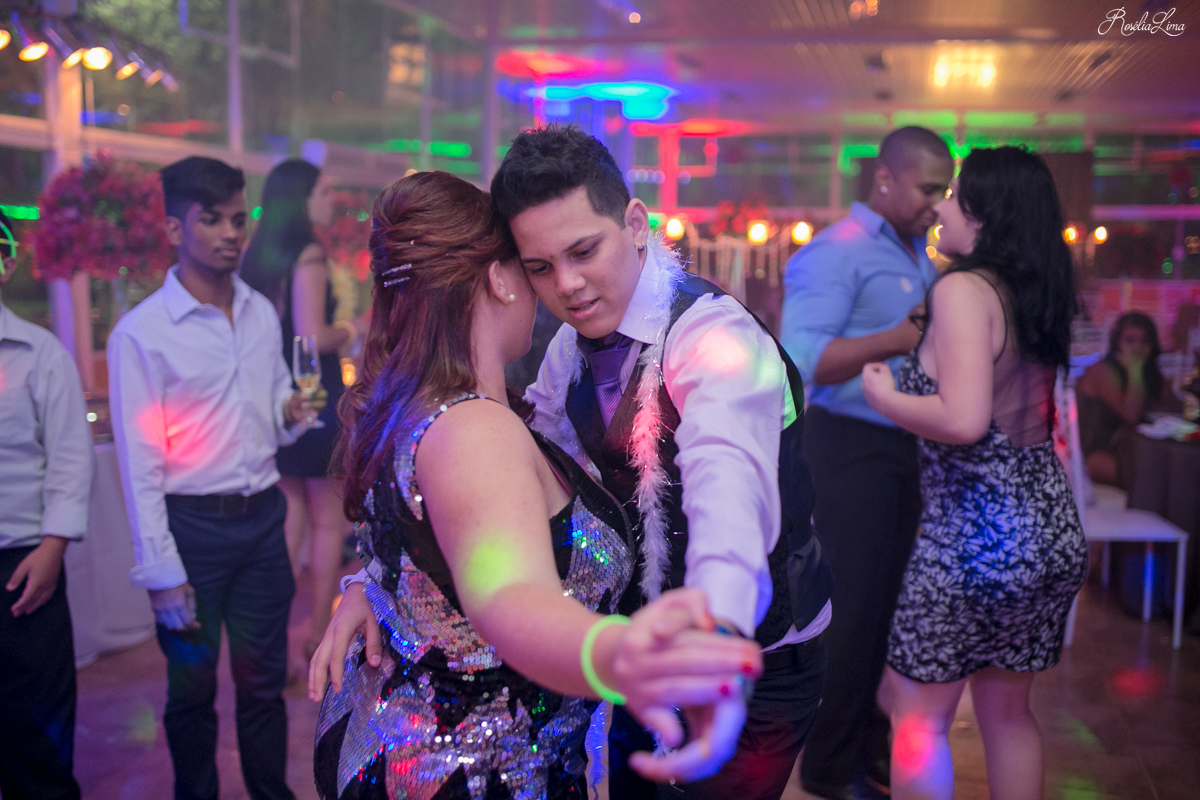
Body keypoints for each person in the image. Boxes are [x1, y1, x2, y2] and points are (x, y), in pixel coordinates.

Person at [308, 170, 760, 799]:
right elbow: (509, 594)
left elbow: (431, 552)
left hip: (404, 749)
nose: (555, 289)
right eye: (534, 268)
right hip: (475, 774)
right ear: (500, 278)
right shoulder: (474, 429)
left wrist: (371, 590)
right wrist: (620, 657)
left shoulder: (421, 406)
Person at [490, 124, 834, 800]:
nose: (568, 285)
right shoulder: (566, 350)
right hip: (642, 651)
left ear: (635, 224)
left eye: (583, 251)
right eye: (540, 268)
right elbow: (528, 471)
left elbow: (728, 493)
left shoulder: (716, 337)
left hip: (757, 661)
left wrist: (716, 638)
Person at [861, 146, 1088, 800]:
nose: (944, 209)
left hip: (975, 540)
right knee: (1009, 714)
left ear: (985, 216)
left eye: (956, 198)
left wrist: (883, 396)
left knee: (916, 718)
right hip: (1048, 534)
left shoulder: (962, 289)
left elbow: (963, 420)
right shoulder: (1034, 290)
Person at [108, 156, 324, 800]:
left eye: (237, 219)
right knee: (191, 691)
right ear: (175, 228)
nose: (231, 234)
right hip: (191, 531)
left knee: (263, 685)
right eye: (212, 220)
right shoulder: (141, 335)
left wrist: (290, 412)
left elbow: (275, 410)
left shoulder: (258, 312)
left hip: (262, 523)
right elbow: (139, 467)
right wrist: (160, 570)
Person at [779, 126, 952, 800]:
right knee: (851, 612)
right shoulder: (837, 252)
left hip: (905, 447)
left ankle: (870, 754)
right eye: (928, 188)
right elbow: (801, 361)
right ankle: (825, 769)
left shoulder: (916, 251)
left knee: (888, 611)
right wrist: (900, 336)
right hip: (850, 445)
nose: (937, 203)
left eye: (943, 191)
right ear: (885, 178)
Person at [241, 159, 362, 655]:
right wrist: (353, 328)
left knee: (290, 518)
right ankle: (317, 636)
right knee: (329, 521)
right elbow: (309, 338)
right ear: (302, 198)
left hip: (280, 396)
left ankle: (270, 640)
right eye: (324, 191)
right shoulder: (309, 252)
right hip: (315, 395)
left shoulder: (260, 252)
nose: (332, 200)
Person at [0, 209, 94, 800]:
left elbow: (70, 459)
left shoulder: (40, 354)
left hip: (21, 566)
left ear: (6, 262)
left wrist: (53, 547)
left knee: (36, 731)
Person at [1076, 312, 1165, 486]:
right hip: (1096, 453)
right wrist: (1135, 369)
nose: (1137, 347)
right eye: (1130, 340)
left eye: (1144, 341)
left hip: (1133, 449)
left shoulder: (1151, 375)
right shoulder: (1100, 371)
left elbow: (1164, 409)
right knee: (1147, 479)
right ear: (1117, 343)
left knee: (1171, 471)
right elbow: (1131, 414)